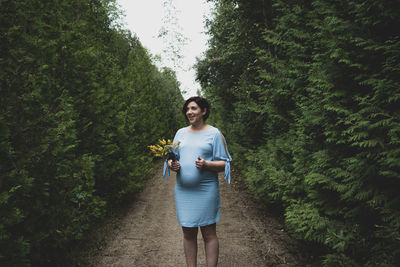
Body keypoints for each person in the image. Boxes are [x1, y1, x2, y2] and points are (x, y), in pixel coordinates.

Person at [163, 96, 232, 267]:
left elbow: (225, 163)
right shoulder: (180, 133)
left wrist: (207, 164)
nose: (189, 112)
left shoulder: (214, 133)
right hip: (183, 191)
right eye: (187, 109)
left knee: (209, 234)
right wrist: (172, 164)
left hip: (206, 191)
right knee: (188, 234)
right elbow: (170, 157)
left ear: (204, 111)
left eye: (193, 108)